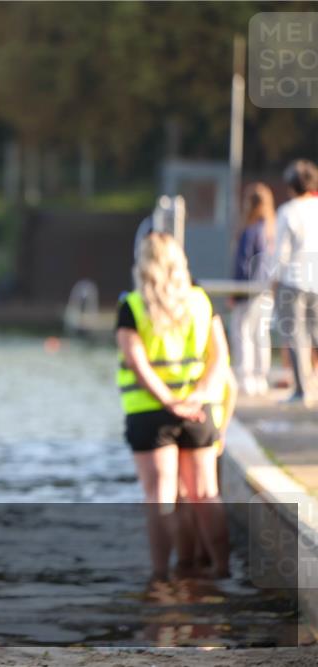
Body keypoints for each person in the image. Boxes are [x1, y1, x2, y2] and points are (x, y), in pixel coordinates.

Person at [116, 232, 231, 581]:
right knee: (205, 494)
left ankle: (160, 578)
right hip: (198, 410)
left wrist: (169, 401)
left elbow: (136, 361)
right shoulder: (200, 300)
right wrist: (199, 396)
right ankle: (222, 569)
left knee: (160, 496)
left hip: (150, 413)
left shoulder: (133, 306)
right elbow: (220, 358)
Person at [272, 159, 318, 405]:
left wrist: (274, 280)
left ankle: (303, 390)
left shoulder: (288, 212)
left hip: (293, 280)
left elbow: (281, 253)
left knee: (296, 335)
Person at [230, 183, 276, 396]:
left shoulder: (250, 231)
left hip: (249, 291)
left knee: (242, 332)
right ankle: (260, 377)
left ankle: (245, 377)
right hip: (267, 290)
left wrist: (235, 292)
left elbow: (243, 264)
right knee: (261, 333)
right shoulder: (271, 231)